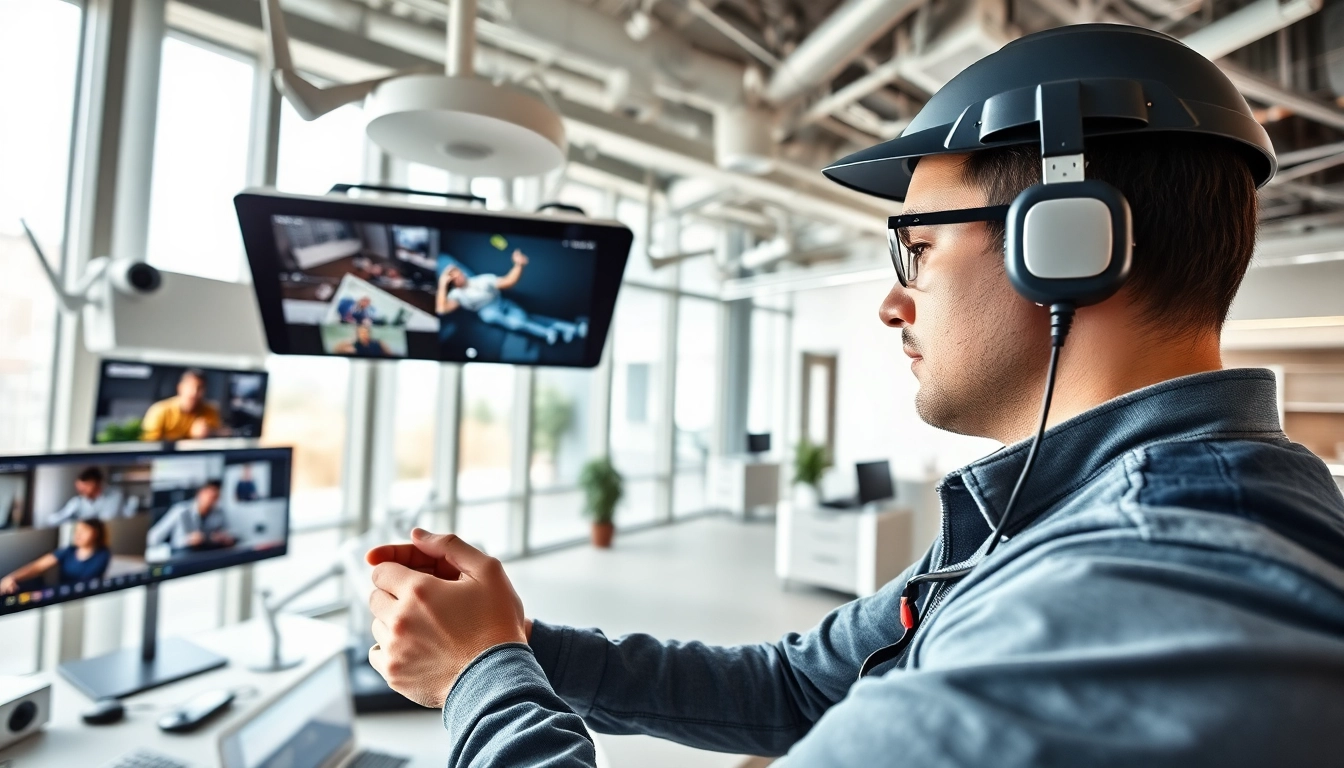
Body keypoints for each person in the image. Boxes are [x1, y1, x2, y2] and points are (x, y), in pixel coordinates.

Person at [362, 24, 1344, 767]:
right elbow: (791, 682)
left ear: (1068, 243)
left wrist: (480, 681)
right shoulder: (1056, 515)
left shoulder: (1134, 603)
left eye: (915, 249)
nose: (890, 300)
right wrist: (513, 645)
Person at [436, 250, 587, 346]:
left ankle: (570, 328)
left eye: (458, 271)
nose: (458, 275)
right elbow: (442, 309)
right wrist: (443, 283)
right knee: (518, 323)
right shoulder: (456, 295)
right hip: (490, 314)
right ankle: (550, 332)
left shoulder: (481, 280)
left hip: (502, 303)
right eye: (452, 276)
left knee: (527, 319)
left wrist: (518, 265)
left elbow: (508, 281)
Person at [1, 519, 111, 594]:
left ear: (95, 533)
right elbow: (37, 567)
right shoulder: (68, 551)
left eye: (84, 531)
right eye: (77, 530)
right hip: (59, 593)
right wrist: (12, 577)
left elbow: (87, 581)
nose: (78, 535)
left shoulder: (103, 554)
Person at [147, 480, 234, 552]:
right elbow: (153, 538)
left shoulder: (218, 512)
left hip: (206, 555)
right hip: (181, 554)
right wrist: (187, 540)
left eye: (216, 497)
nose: (213, 501)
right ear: (200, 493)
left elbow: (229, 532)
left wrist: (224, 537)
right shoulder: (180, 510)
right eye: (211, 496)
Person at [140, 369, 226, 441]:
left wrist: (210, 432)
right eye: (190, 387)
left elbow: (224, 434)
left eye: (199, 388)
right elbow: (149, 443)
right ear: (180, 388)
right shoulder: (160, 410)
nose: (194, 392)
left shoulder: (210, 410)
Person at [48, 467, 135, 526]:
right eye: (79, 489)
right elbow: (54, 520)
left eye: (84, 488)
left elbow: (105, 523)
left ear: (94, 484)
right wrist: (68, 517)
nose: (81, 492)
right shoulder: (78, 501)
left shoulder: (115, 496)